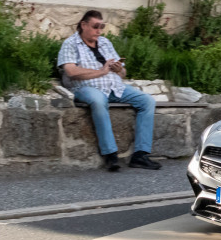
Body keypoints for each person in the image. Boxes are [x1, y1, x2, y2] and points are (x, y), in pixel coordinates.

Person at [58, 10, 161, 172]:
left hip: (113, 86)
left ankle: (140, 155)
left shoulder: (105, 43)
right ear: (83, 25)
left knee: (147, 101)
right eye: (95, 26)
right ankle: (110, 154)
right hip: (86, 87)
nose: (99, 30)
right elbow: (70, 71)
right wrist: (102, 71)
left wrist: (118, 69)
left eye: (102, 26)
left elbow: (122, 73)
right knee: (99, 101)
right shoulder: (70, 44)